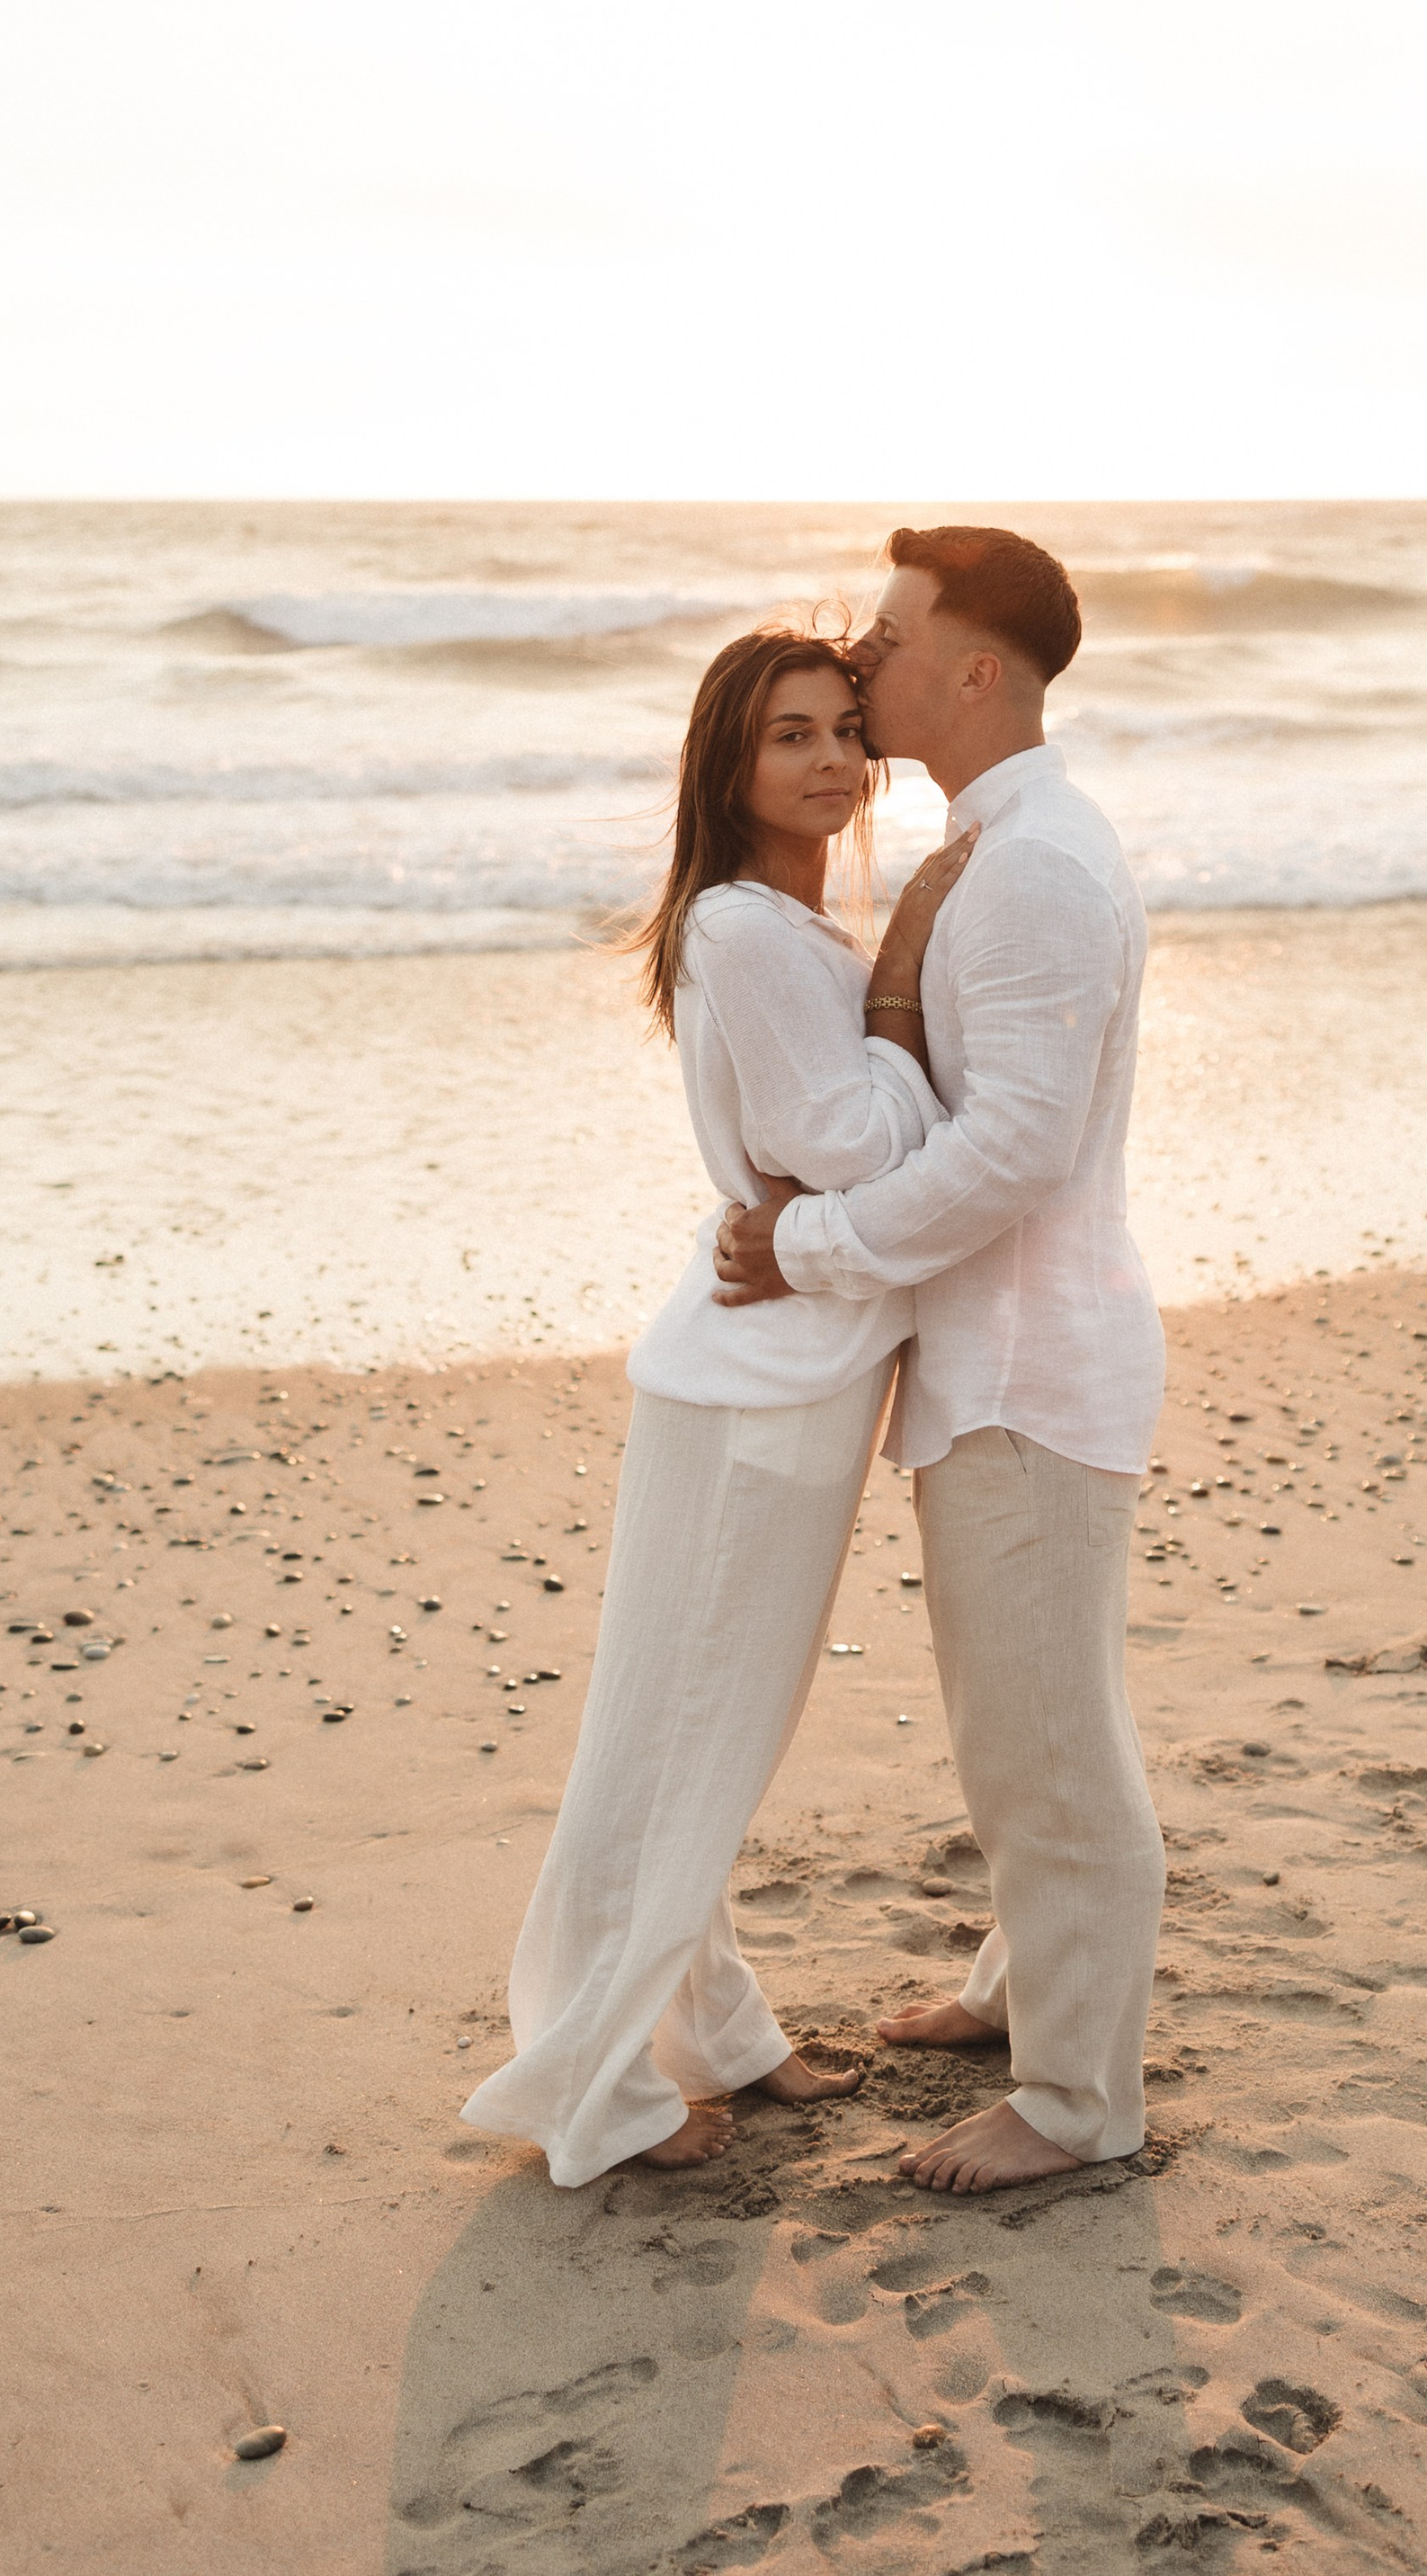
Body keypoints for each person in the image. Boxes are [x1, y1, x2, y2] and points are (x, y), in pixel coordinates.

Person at [459, 625, 976, 2187]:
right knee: (678, 1741)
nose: (828, 762)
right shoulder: (753, 933)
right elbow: (845, 1145)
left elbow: (836, 1141)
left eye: (841, 732)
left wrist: (882, 996)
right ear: (726, 767)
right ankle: (591, 2092)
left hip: (780, 1377)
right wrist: (904, 1014)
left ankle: (720, 2034)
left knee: (709, 1737)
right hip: (755, 1390)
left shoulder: (785, 928)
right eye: (786, 737)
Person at [711, 524, 1166, 2196]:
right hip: (1004, 1355)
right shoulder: (1000, 844)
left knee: (1047, 1747)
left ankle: (1075, 2104)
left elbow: (1018, 1151)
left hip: (1035, 1365)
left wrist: (808, 1249)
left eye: (893, 637)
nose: (864, 661)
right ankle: (1011, 1987)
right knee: (1026, 1709)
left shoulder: (1033, 866)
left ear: (976, 670)